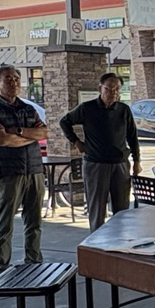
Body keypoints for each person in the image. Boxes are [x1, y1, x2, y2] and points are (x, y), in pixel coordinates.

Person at [0, 65, 50, 271]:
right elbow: (1, 139)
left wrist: (19, 132)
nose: (13, 83)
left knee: (34, 221)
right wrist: (29, 137)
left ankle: (34, 261)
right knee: (5, 222)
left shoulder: (28, 109)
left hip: (35, 170)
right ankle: (2, 266)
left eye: (17, 79)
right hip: (8, 172)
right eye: (8, 79)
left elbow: (45, 132)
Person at [59, 72, 141, 231]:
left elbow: (132, 136)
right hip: (95, 163)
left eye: (117, 89)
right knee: (96, 207)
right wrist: (76, 142)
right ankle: (96, 244)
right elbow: (65, 122)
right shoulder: (87, 108)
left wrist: (137, 161)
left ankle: (120, 240)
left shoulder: (123, 110)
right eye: (109, 89)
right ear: (100, 89)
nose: (113, 93)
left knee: (122, 208)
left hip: (120, 164)